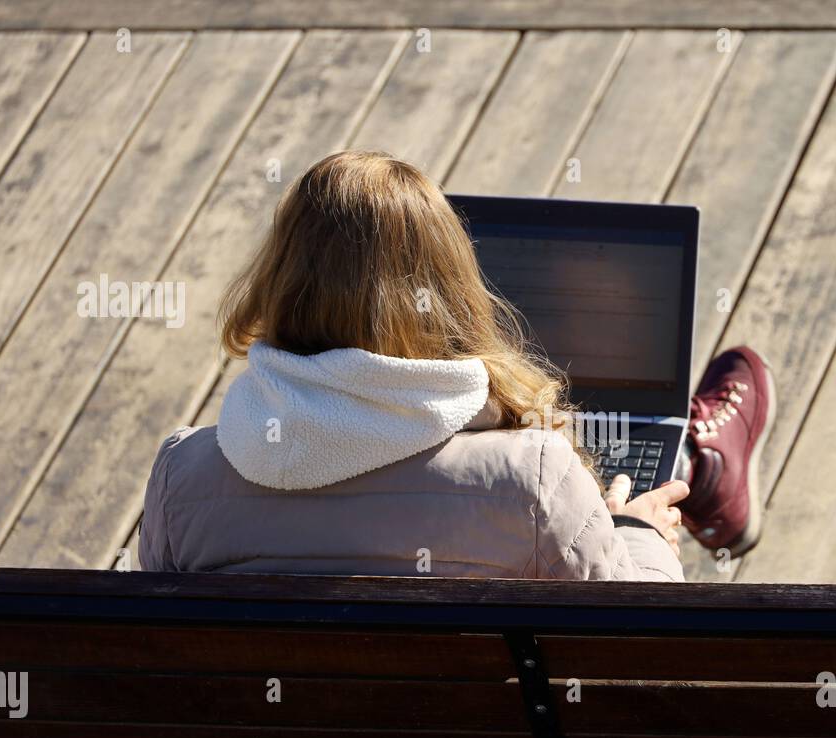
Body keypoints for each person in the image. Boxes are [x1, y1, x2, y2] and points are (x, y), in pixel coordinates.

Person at [139, 151, 774, 580]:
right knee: (647, 502)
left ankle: (704, 461)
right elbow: (633, 651)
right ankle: (700, 464)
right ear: (452, 290)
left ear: (277, 282)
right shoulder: (533, 481)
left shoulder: (181, 480)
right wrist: (636, 534)